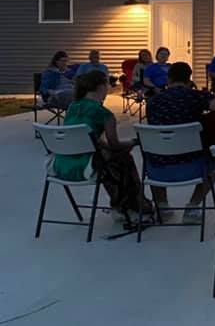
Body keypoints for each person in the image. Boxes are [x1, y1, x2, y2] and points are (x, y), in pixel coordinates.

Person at [145, 62, 215, 224]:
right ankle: (193, 206)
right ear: (189, 80)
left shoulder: (152, 102)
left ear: (168, 79)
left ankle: (162, 206)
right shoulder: (196, 96)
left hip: (156, 171)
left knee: (156, 149)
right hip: (193, 168)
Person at [53, 70, 151, 222]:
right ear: (100, 86)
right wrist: (134, 142)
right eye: (107, 85)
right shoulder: (104, 114)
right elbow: (114, 144)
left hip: (60, 165)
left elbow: (88, 140)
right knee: (122, 159)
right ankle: (132, 205)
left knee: (111, 158)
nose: (109, 88)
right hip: (85, 168)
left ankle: (121, 205)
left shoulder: (73, 107)